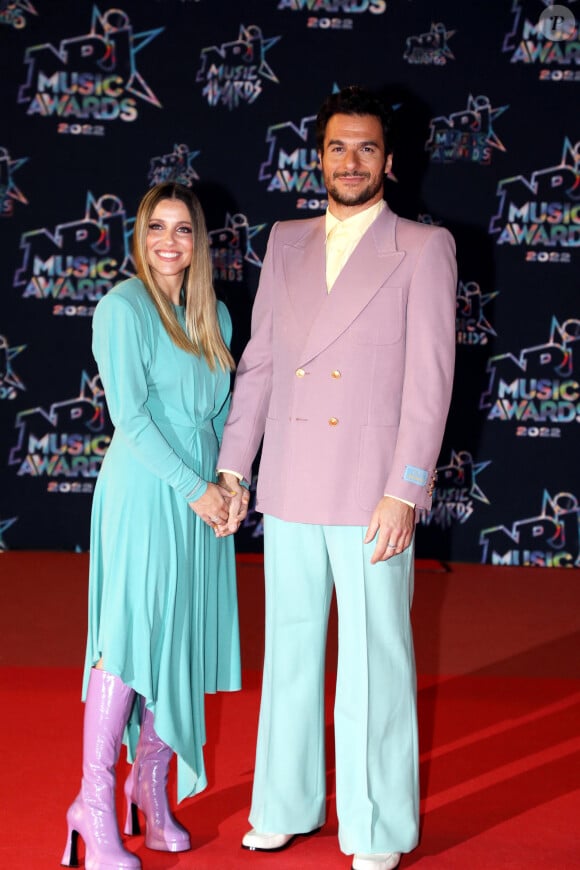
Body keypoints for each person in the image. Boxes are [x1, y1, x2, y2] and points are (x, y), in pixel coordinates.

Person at [217, 86, 457, 870]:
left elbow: (430, 383)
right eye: (336, 148)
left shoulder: (423, 247)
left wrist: (406, 489)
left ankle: (377, 827)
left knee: (375, 661)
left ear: (388, 162)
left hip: (370, 494)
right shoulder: (282, 240)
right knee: (287, 656)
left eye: (365, 149)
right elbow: (258, 365)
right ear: (317, 157)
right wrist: (233, 466)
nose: (349, 162)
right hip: (287, 483)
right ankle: (284, 804)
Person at [62, 182, 245, 870]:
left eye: (184, 229)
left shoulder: (216, 317)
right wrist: (198, 489)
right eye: (156, 228)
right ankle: (94, 806)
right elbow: (131, 419)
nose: (170, 242)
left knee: (182, 641)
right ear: (138, 237)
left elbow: (224, 416)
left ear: (201, 242)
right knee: (130, 638)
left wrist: (233, 486)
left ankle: (151, 788)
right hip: (146, 493)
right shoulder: (122, 308)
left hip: (201, 497)